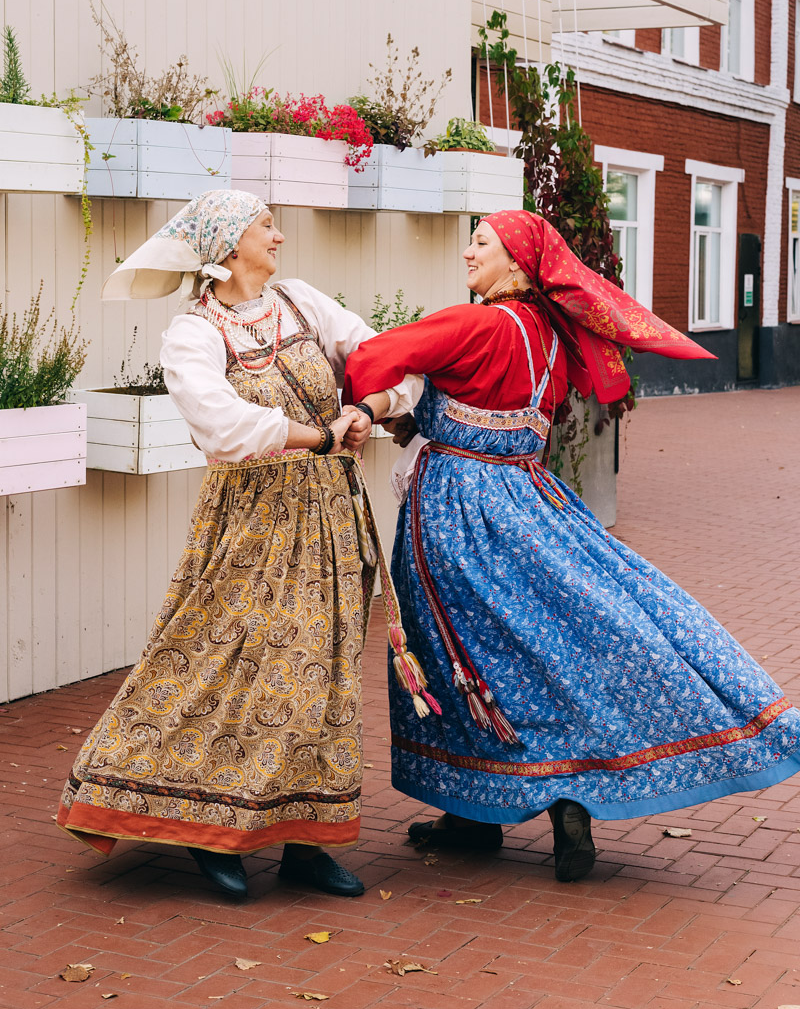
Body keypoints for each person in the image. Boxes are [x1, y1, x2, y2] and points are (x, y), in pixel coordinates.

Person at [342, 209, 800, 882]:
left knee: (458, 650)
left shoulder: (475, 323)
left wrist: (364, 396)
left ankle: (479, 813)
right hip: (532, 500)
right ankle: (561, 800)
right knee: (547, 643)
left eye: (482, 243)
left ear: (520, 265)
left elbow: (370, 358)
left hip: (458, 509)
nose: (468, 252)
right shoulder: (553, 336)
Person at [57, 189, 419, 898]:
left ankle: (305, 842)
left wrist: (365, 408)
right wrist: (318, 435)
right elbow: (221, 426)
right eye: (264, 226)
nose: (279, 236)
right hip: (252, 522)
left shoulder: (302, 303)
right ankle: (205, 825)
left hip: (332, 518)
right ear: (227, 246)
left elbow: (384, 357)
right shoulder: (193, 333)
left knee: (321, 675)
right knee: (226, 660)